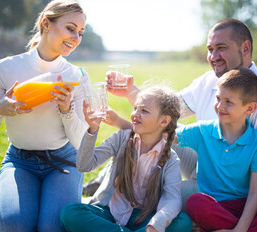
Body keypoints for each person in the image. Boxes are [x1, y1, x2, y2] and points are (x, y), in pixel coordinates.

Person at [99, 18, 257, 232]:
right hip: (203, 176)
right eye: (210, 49)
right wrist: (131, 92)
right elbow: (165, 116)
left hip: (241, 187)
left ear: (246, 48)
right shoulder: (209, 83)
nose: (213, 57)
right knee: (153, 138)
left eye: (221, 48)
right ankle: (107, 198)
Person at [0, 0, 89, 232]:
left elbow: (80, 142)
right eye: (70, 28)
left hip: (65, 161)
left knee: (52, 227)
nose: (76, 38)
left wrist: (67, 111)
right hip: (20, 161)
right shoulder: (5, 69)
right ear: (46, 24)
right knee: (14, 225)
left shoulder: (76, 75)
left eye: (80, 32)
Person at [176, 67, 257, 232]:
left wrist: (240, 229)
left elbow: (254, 194)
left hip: (247, 207)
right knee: (196, 202)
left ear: (250, 108)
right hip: (215, 207)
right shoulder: (202, 130)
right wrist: (136, 126)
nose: (220, 106)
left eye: (228, 102)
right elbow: (166, 136)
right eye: (218, 98)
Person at [60, 86, 193, 232]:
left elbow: (172, 198)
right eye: (135, 108)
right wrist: (92, 130)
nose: (135, 114)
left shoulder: (170, 159)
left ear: (164, 121)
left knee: (183, 222)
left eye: (144, 111)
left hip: (145, 218)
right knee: (70, 212)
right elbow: (84, 166)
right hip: (109, 212)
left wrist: (155, 224)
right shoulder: (121, 139)